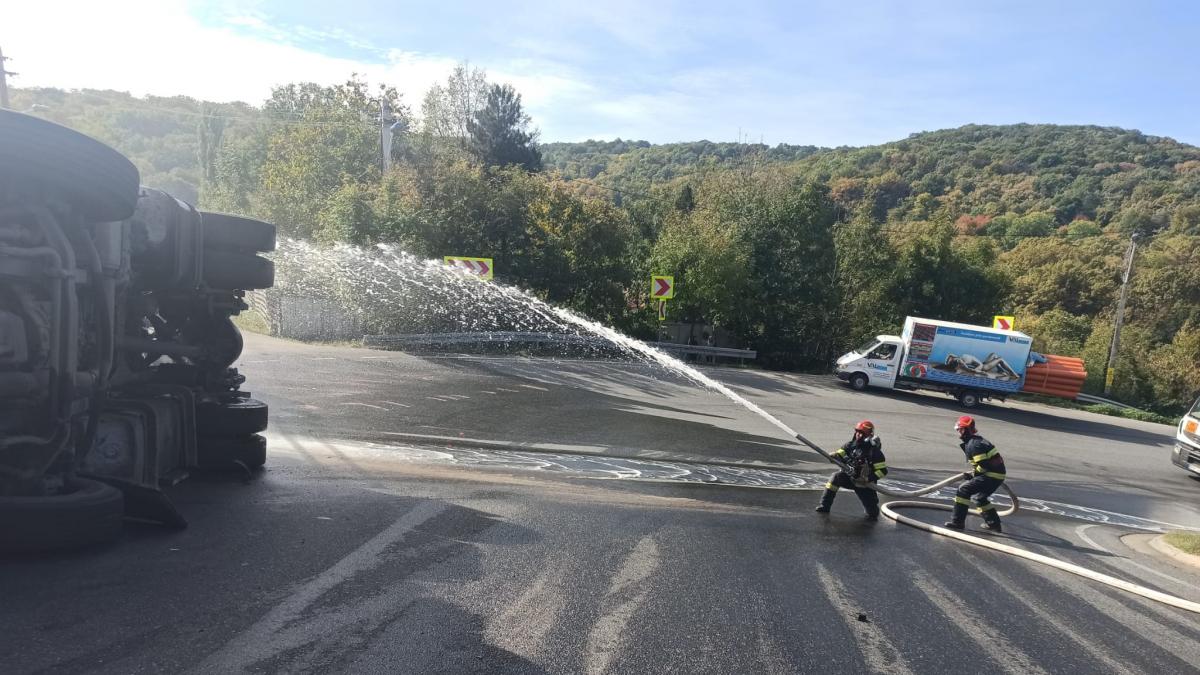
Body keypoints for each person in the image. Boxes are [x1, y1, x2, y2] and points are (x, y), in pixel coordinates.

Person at [815, 420, 888, 520]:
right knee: (835, 477)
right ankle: (824, 506)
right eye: (857, 432)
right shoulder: (850, 445)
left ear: (868, 436)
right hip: (849, 478)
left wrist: (867, 479)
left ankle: (872, 511)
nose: (858, 435)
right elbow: (840, 454)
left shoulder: (874, 452)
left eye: (861, 433)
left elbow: (883, 471)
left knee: (872, 513)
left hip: (864, 484)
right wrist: (834, 456)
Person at [945, 415, 1006, 532]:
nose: (959, 432)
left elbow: (984, 466)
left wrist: (973, 476)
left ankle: (957, 522)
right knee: (980, 498)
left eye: (960, 430)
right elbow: (983, 465)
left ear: (965, 430)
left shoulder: (974, 444)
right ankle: (994, 524)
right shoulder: (976, 441)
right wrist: (974, 476)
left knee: (963, 490)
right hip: (996, 475)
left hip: (991, 475)